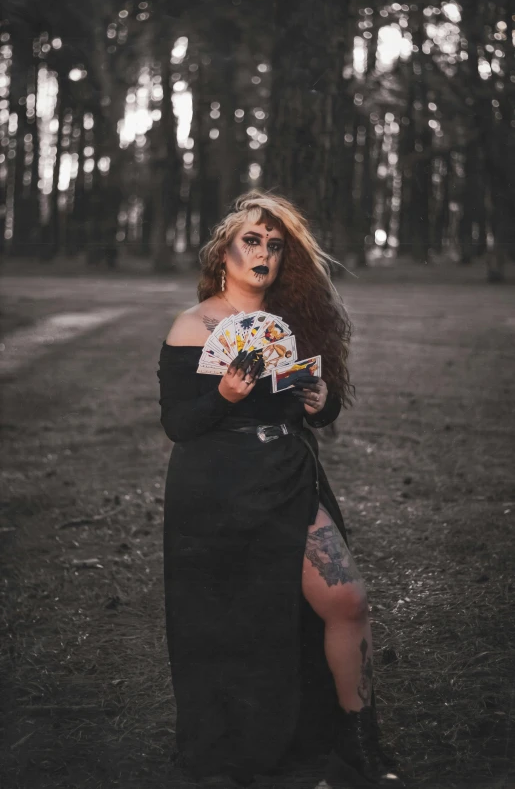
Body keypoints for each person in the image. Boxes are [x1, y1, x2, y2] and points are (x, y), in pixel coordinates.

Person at [157, 191, 404, 788]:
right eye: (252, 240)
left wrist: (323, 402)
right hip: (216, 489)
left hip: (287, 475)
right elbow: (179, 426)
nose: (264, 251)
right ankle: (247, 743)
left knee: (347, 600)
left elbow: (314, 403)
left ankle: (360, 746)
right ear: (224, 252)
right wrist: (224, 396)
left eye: (274, 244)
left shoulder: (294, 322)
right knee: (241, 624)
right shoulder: (193, 327)